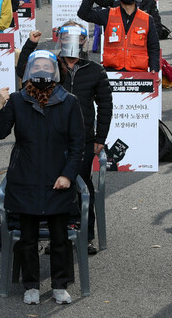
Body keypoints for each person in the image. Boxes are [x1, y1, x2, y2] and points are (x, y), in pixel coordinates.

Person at [0, 50, 85, 306]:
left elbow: (78, 145)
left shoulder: (69, 101)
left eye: (47, 66)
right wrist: (0, 105)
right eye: (37, 66)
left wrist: (68, 175)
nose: (41, 71)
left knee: (60, 239)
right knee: (28, 238)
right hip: (25, 178)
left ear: (55, 71)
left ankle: (60, 285)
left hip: (58, 180)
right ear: (29, 70)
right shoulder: (18, 100)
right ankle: (30, 285)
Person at [16, 24, 112, 254]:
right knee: (51, 183)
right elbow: (23, 70)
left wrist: (100, 137)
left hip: (84, 138)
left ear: (83, 41)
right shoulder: (51, 65)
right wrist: (31, 44)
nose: (72, 42)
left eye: (77, 38)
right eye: (67, 37)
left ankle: (85, 235)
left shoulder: (94, 69)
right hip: (52, 137)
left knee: (81, 185)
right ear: (60, 39)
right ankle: (55, 235)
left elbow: (106, 105)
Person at [77, 0, 161, 72]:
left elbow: (153, 47)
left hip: (138, 73)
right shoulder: (108, 14)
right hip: (112, 71)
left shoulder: (147, 19)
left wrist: (154, 70)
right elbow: (83, 13)